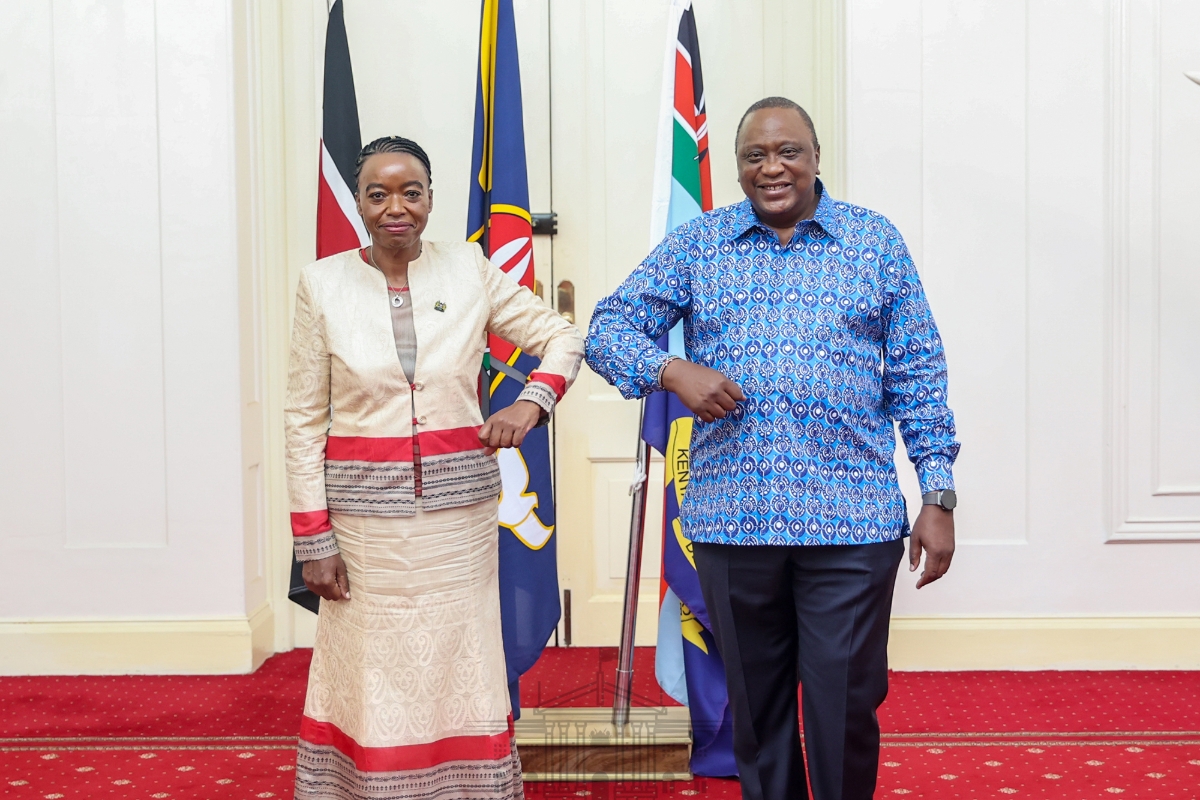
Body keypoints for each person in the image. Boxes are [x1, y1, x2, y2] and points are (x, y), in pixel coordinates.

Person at [585, 98, 960, 800]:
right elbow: (608, 328)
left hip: (851, 524)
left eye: (788, 151)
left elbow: (918, 373)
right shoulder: (701, 244)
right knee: (757, 717)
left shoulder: (873, 242)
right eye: (754, 156)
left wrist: (937, 494)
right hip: (734, 524)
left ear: (816, 157)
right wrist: (671, 370)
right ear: (737, 168)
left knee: (843, 709)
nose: (772, 168)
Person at [286, 136, 583, 800]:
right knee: (369, 668)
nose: (396, 207)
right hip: (363, 529)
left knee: (460, 662)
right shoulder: (322, 284)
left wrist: (532, 402)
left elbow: (563, 335)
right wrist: (313, 539)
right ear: (359, 202)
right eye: (379, 193)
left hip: (459, 524)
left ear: (429, 199)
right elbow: (303, 419)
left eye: (410, 192)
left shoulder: (469, 269)